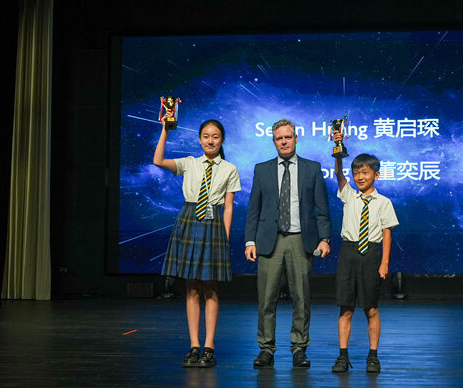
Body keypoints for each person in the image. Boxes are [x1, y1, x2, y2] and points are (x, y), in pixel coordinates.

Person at [153, 112, 241, 368]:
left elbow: (228, 207)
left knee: (210, 288)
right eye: (205, 136)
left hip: (214, 226)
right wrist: (165, 130)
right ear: (200, 139)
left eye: (215, 137)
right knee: (191, 288)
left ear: (222, 140)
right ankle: (194, 345)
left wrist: (224, 237)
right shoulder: (189, 163)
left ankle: (209, 347)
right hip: (189, 220)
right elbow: (158, 160)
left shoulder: (230, 169)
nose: (210, 141)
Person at [244, 119, 332, 368]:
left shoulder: (312, 168)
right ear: (274, 142)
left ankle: (299, 348)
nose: (283, 142)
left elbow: (322, 208)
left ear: (295, 138)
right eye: (279, 138)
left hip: (300, 240)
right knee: (266, 299)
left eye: (287, 137)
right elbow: (254, 209)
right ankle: (266, 349)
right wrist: (250, 240)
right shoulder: (262, 169)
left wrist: (325, 238)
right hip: (268, 241)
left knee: (301, 298)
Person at [330, 130, 399, 374]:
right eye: (356, 173)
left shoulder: (384, 202)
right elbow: (338, 174)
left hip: (371, 253)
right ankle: (342, 356)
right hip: (348, 252)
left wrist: (384, 263)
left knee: (371, 308)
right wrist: (339, 147)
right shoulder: (349, 195)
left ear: (376, 175)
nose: (359, 177)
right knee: (345, 307)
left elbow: (387, 234)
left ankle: (373, 356)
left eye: (365, 173)